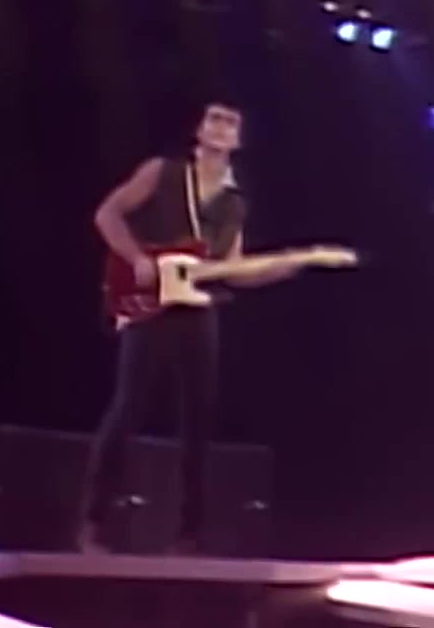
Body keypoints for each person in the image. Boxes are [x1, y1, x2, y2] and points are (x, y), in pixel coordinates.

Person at [75, 101, 299, 555]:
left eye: (231, 122)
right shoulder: (163, 172)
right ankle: (94, 521)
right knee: (128, 407)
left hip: (198, 307)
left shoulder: (235, 202)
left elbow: (231, 269)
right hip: (151, 301)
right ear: (199, 129)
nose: (221, 127)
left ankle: (189, 533)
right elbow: (108, 214)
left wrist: (279, 268)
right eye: (214, 118)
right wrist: (137, 259)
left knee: (198, 418)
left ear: (239, 140)